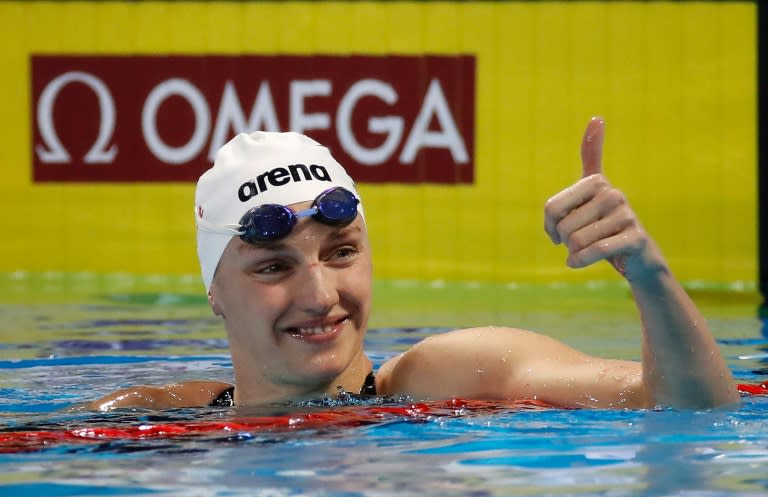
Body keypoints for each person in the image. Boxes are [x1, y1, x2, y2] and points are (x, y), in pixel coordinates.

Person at [87, 117, 739, 411]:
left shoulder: (455, 374)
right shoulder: (158, 420)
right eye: (273, 267)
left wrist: (649, 276)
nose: (320, 294)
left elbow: (692, 409)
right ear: (213, 290)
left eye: (342, 252)